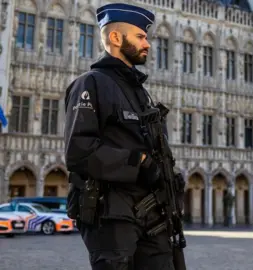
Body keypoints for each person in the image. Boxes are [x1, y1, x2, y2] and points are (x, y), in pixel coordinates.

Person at [64, 3, 184, 269]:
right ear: (116, 38)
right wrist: (138, 162)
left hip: (153, 216)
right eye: (140, 36)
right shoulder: (90, 84)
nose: (148, 44)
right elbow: (79, 151)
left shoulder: (142, 93)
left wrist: (171, 178)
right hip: (112, 214)